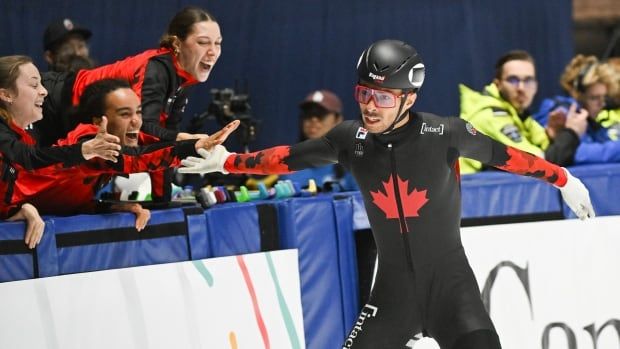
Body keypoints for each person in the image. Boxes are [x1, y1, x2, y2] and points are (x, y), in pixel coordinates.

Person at [178, 39, 595, 348]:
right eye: (364, 94)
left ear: (409, 98)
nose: (370, 106)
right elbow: (288, 158)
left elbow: (507, 156)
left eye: (382, 96)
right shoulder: (350, 138)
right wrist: (227, 162)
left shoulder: (444, 133)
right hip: (392, 294)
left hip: (453, 291)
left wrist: (563, 179)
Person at [35, 6, 222, 201]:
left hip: (74, 114)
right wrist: (184, 140)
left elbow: (164, 144)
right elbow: (149, 131)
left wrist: (162, 202)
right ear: (177, 43)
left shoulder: (183, 79)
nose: (213, 52)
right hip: (54, 100)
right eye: (203, 42)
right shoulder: (156, 69)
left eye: (218, 43)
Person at [2, 78, 238, 230]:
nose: (136, 121)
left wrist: (112, 207)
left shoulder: (109, 145)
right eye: (125, 114)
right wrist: (193, 146)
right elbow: (136, 159)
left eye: (138, 112)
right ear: (98, 121)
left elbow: (65, 204)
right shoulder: (90, 142)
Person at [0, 55, 121, 248]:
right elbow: (28, 159)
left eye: (41, 84)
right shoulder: (12, 143)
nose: (44, 92)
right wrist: (83, 151)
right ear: (6, 95)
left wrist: (19, 209)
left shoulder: (25, 137)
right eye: (34, 85)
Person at [458, 50, 588, 174]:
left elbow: (546, 155)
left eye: (528, 80)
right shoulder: (489, 117)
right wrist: (572, 133)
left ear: (536, 85)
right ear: (498, 85)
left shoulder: (521, 116)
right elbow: (539, 167)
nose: (521, 87)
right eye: (513, 80)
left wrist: (551, 136)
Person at [534, 54, 620, 164]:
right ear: (577, 94)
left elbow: (605, 143)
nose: (601, 104)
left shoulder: (593, 125)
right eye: (594, 98)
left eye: (603, 98)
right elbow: (573, 152)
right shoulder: (559, 112)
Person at [279, 89, 358, 191]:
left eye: (321, 114)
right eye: (308, 114)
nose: (313, 120)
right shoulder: (288, 166)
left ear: (338, 120)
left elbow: (363, 205)